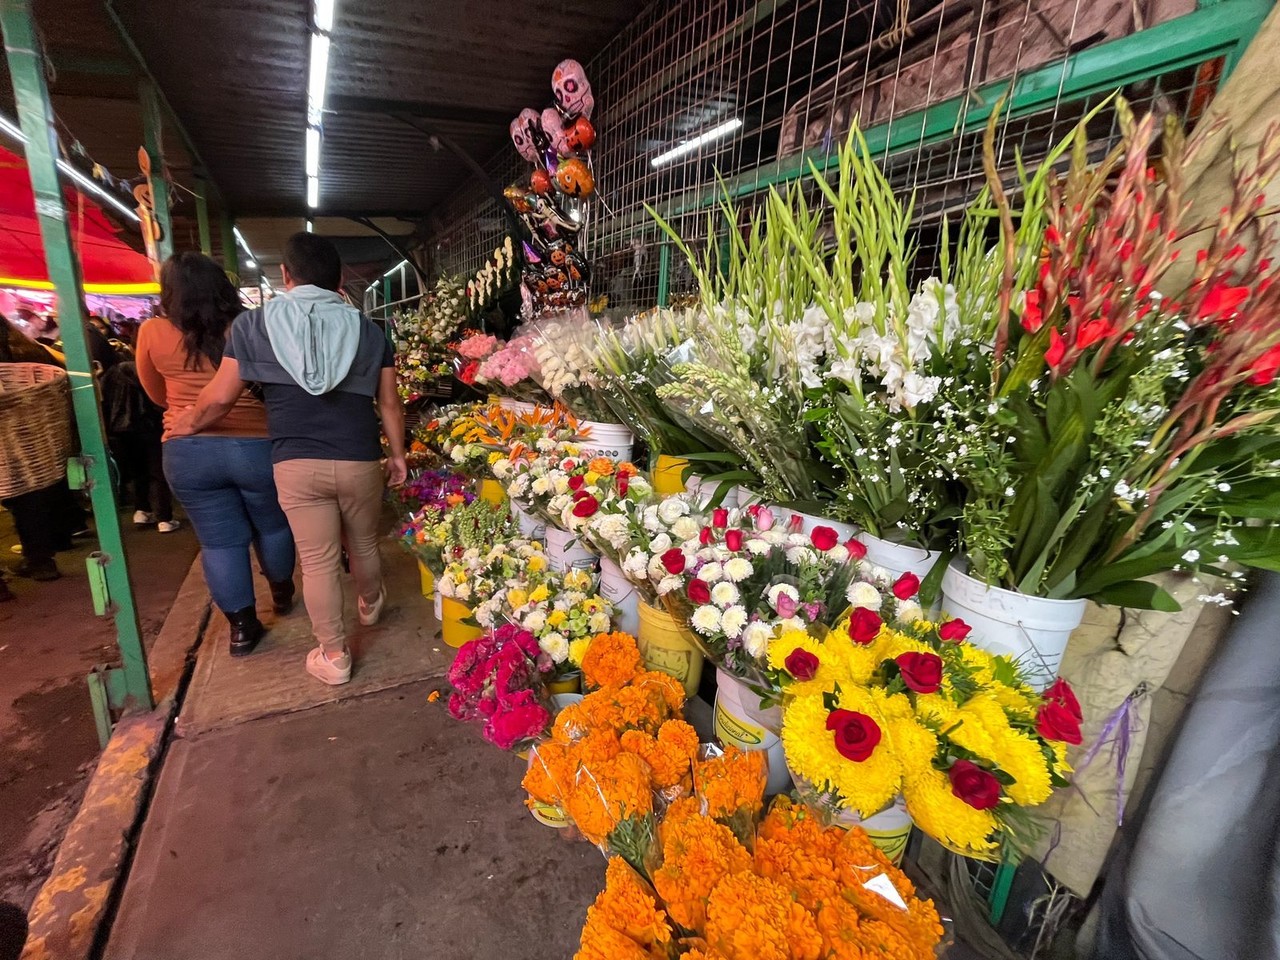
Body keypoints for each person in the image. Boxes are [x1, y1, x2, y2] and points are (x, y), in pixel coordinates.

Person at [170, 233, 406, 685]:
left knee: (316, 562)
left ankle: (335, 657)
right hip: (358, 457)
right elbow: (390, 403)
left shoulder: (252, 327)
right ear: (338, 279)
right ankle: (371, 605)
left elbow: (219, 399)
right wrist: (397, 455)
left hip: (294, 463)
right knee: (364, 544)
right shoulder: (370, 331)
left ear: (286, 274)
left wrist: (187, 424)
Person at [136, 253, 297, 656]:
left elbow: (155, 393)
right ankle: (281, 593)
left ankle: (242, 630)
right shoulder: (246, 326)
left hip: (188, 450)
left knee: (220, 543)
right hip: (256, 444)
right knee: (273, 526)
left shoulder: (152, 331)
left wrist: (186, 410)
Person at [0, 313, 87, 581]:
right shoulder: (32, 350)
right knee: (35, 495)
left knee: (25, 500)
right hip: (36, 437)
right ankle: (43, 557)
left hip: (14, 436)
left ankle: (37, 560)